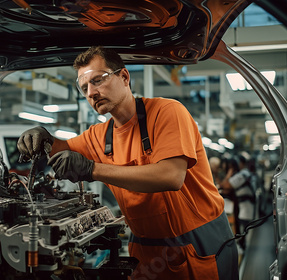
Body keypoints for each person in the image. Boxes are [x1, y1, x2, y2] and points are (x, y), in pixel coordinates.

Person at [17, 46, 238, 279]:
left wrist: (92, 169)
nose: (91, 92)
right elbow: (61, 148)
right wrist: (43, 137)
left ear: (124, 77)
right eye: (84, 88)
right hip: (144, 250)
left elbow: (171, 176)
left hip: (198, 245)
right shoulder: (99, 135)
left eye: (98, 80)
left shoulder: (168, 112)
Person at [220, 154, 257, 252]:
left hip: (246, 206)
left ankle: (243, 249)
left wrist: (230, 172)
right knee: (242, 229)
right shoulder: (244, 173)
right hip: (243, 206)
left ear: (242, 163)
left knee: (243, 230)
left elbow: (226, 186)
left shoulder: (243, 174)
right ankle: (242, 247)